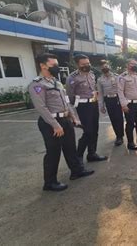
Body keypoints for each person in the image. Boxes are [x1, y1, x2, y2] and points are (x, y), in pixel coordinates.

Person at [29, 53, 94, 192]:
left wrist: (73, 117)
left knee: (70, 147)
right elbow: (41, 108)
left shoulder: (56, 82)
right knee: (53, 152)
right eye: (54, 65)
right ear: (43, 65)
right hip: (50, 123)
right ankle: (50, 182)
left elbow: (66, 102)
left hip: (65, 119)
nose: (57, 67)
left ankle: (76, 171)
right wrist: (55, 125)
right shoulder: (37, 85)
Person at [66, 54, 108, 164]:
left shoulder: (92, 74)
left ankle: (92, 153)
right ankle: (78, 156)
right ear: (77, 64)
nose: (87, 66)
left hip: (93, 104)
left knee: (95, 130)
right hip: (83, 107)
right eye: (83, 64)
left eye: (88, 63)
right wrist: (74, 112)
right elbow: (70, 97)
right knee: (88, 131)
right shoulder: (72, 78)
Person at [97, 60, 124, 146]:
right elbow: (100, 93)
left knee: (119, 118)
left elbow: (121, 90)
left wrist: (123, 102)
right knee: (113, 119)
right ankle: (118, 136)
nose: (105, 68)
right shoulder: (100, 80)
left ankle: (121, 135)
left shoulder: (117, 77)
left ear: (109, 66)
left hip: (117, 99)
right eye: (103, 67)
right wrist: (101, 106)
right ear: (100, 68)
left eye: (106, 66)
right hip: (108, 100)